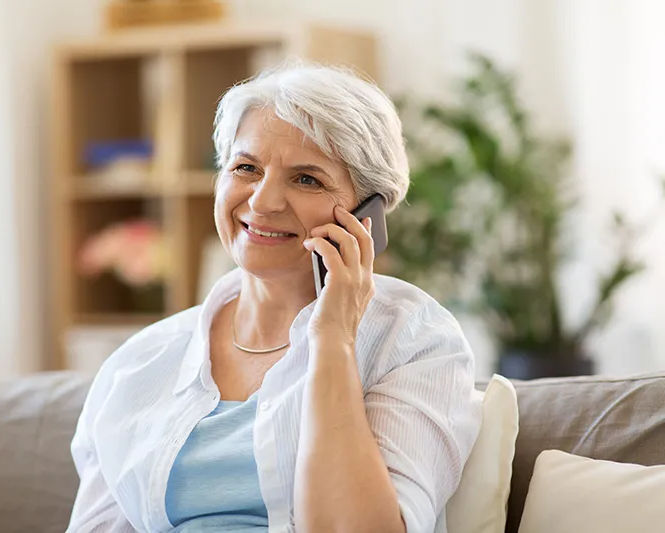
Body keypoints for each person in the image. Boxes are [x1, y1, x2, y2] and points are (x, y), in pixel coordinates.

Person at [66, 63, 482, 533]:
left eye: (307, 179)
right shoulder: (139, 363)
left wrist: (333, 339)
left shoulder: (413, 339)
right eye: (246, 168)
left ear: (367, 215)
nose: (263, 202)